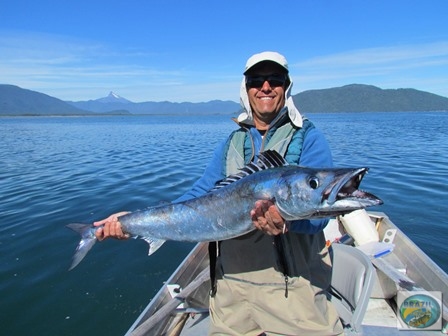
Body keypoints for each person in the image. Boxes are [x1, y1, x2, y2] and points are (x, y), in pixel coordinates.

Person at [95, 51, 344, 336]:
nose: (265, 87)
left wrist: (287, 221)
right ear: (246, 88)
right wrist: (134, 221)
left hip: (293, 292)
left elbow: (320, 216)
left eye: (275, 79)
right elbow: (200, 196)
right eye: (256, 80)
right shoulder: (232, 142)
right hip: (230, 292)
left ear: (286, 87)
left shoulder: (308, 137)